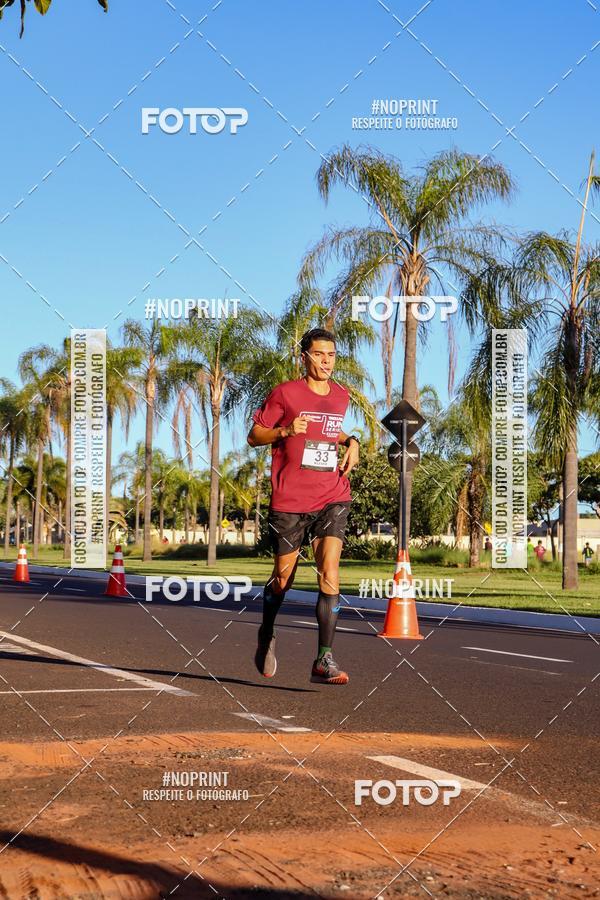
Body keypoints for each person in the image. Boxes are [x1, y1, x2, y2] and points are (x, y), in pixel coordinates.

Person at [247, 328, 360, 685]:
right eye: (319, 354)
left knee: (330, 568)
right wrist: (284, 431)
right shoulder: (285, 394)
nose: (327, 361)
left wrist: (352, 441)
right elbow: (255, 436)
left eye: (332, 355)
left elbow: (331, 429)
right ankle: (266, 631)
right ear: (305, 357)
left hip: (332, 494)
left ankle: (323, 660)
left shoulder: (341, 395)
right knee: (283, 577)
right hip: (290, 500)